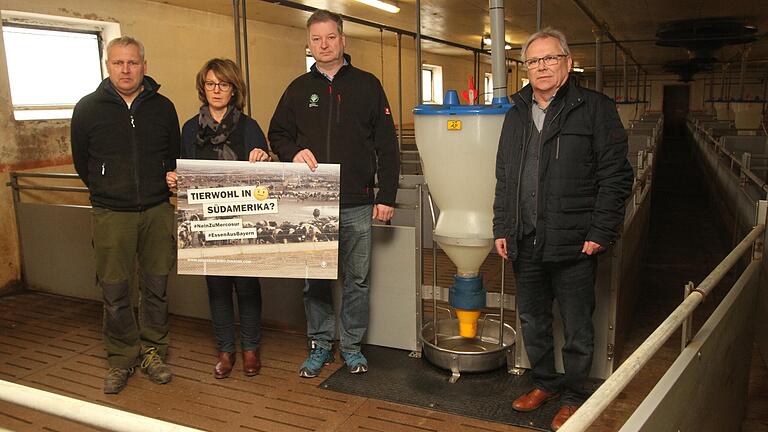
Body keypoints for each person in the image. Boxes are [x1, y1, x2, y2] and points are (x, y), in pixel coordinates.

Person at [492, 28, 634, 431]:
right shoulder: (516, 112)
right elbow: (504, 175)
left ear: (568, 63)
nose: (541, 67)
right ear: (526, 68)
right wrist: (503, 224)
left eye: (550, 58)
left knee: (576, 326)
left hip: (575, 241)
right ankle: (544, 383)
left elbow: (616, 176)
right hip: (525, 238)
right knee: (534, 321)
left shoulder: (594, 109)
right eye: (533, 61)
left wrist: (601, 230)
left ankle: (574, 395)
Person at [268, 9, 399, 378]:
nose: (323, 45)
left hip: (358, 202)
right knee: (315, 279)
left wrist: (385, 195)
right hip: (313, 204)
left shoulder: (368, 85)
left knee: (356, 280)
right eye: (316, 39)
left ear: (343, 40)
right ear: (309, 45)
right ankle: (321, 344)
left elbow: (387, 145)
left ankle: (352, 346)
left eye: (330, 37)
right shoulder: (297, 89)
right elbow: (277, 132)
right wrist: (292, 151)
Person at [71, 36, 180, 394]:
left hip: (156, 210)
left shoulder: (163, 107)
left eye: (133, 62)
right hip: (110, 214)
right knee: (115, 290)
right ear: (108, 65)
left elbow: (173, 159)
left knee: (156, 287)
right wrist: (108, 188)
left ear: (144, 66)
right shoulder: (88, 109)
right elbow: (81, 161)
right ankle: (121, 358)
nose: (126, 69)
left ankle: (153, 351)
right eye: (118, 62)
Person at [166, 58, 270, 379]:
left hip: (244, 220)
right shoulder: (189, 128)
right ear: (203, 87)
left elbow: (267, 182)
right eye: (210, 84)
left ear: (234, 89)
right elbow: (184, 171)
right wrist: (174, 178)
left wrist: (264, 159)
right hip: (207, 221)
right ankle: (226, 350)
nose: (216, 90)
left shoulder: (250, 127)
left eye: (223, 84)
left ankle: (250, 349)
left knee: (248, 286)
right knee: (217, 286)